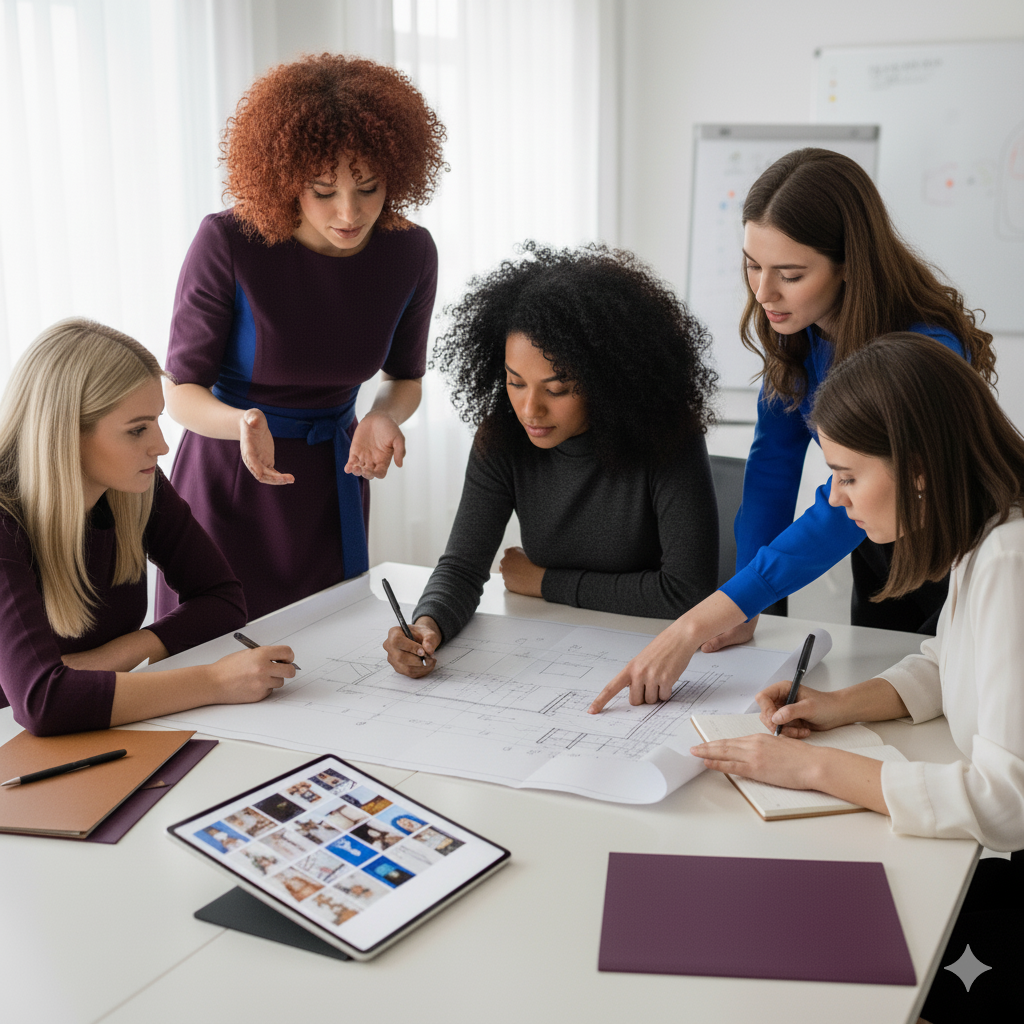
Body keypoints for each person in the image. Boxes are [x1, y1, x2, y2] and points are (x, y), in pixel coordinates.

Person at [687, 334, 1023, 1021]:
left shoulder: (1010, 563)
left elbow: (1007, 801)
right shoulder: (988, 535)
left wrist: (813, 770)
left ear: (920, 468)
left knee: (813, 962)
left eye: (846, 475)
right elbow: (947, 662)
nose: (836, 501)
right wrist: (839, 704)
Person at [589, 147, 995, 713]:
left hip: (949, 547)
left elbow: (840, 506)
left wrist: (707, 616)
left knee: (951, 698)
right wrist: (748, 606)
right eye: (753, 265)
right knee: (885, 688)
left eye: (791, 274)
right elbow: (772, 469)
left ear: (850, 262)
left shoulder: (923, 350)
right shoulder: (797, 333)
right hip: (876, 540)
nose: (763, 292)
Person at [158, 53, 446, 621]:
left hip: (331, 477)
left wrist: (384, 416)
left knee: (327, 655)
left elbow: (404, 377)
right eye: (323, 190)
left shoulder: (410, 251)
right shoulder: (229, 242)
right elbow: (179, 390)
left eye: (369, 187)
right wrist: (239, 423)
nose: (350, 211)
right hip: (230, 475)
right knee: (216, 651)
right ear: (287, 179)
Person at [384, 243, 719, 677]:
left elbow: (687, 593)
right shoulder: (503, 439)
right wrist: (426, 625)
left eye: (556, 389)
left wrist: (543, 581)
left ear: (607, 379)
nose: (529, 410)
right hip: (552, 650)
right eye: (515, 382)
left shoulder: (668, 438)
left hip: (656, 655)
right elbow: (463, 567)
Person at [0, 319, 296, 737]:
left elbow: (223, 599)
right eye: (137, 429)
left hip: (97, 731)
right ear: (65, 432)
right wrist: (214, 681)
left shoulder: (137, 486)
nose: (161, 445)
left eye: (157, 420)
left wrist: (100, 662)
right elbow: (42, 704)